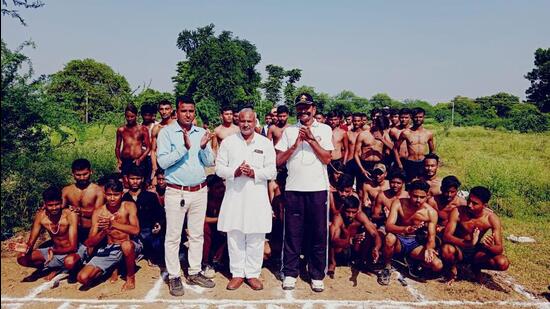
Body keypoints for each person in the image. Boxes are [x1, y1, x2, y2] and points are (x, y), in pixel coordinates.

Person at [156, 95, 216, 296]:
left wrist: (204, 145)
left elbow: (209, 162)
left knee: (196, 234)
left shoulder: (201, 132)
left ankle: (194, 271)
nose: (188, 114)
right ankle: (174, 275)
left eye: (191, 111)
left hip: (199, 190)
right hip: (176, 191)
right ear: (176, 112)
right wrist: (184, 148)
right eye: (184, 111)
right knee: (173, 236)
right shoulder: (166, 133)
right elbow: (163, 163)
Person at [275, 93, 333, 292]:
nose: (303, 111)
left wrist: (311, 140)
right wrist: (295, 145)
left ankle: (316, 274)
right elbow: (278, 161)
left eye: (307, 107)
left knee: (318, 233)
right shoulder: (290, 131)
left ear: (314, 109)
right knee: (292, 233)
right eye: (300, 108)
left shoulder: (324, 129)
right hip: (294, 189)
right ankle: (290, 273)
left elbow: (327, 158)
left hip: (317, 190)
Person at [215, 108, 277, 291]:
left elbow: (272, 171)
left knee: (256, 236)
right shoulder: (228, 142)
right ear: (237, 121)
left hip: (257, 198)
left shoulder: (265, 143)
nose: (246, 124)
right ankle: (237, 274)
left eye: (249, 121)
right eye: (242, 121)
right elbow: (219, 168)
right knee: (235, 235)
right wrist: (234, 172)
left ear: (255, 121)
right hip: (235, 197)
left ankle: (252, 274)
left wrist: (254, 173)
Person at [77, 179, 141, 290]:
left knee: (126, 245)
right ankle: (112, 267)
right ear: (104, 194)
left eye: (116, 195)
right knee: (83, 278)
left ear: (122, 194)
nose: (112, 198)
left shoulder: (128, 206)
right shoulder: (99, 212)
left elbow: (136, 230)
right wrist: (104, 231)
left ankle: (130, 277)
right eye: (109, 195)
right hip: (110, 248)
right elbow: (89, 243)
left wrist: (113, 224)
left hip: (130, 245)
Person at [377, 180, 443, 285]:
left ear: (427, 195)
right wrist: (406, 229)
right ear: (409, 193)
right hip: (398, 239)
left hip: (414, 243)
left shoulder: (431, 213)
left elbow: (431, 237)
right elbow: (388, 226)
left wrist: (429, 248)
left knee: (437, 265)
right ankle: (387, 266)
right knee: (390, 237)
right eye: (415, 196)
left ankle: (414, 263)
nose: (418, 200)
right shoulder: (398, 203)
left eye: (422, 197)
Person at [14, 187, 86, 280]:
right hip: (53, 252)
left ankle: (62, 269)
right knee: (22, 258)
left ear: (61, 202)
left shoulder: (70, 215)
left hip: (70, 252)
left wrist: (53, 251)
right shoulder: (41, 216)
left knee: (70, 262)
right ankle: (51, 268)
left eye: (57, 204)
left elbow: (73, 247)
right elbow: (32, 241)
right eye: (50, 205)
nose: (54, 208)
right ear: (45, 204)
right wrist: (25, 248)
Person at [442, 186, 509, 284]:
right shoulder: (458, 211)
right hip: (458, 248)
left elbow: (499, 248)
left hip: (475, 251)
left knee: (502, 263)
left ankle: (475, 267)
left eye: (475, 203)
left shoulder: (491, 218)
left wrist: (490, 247)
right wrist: (468, 243)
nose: (469, 205)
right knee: (447, 250)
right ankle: (452, 268)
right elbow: (446, 236)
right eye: (469, 200)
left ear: (484, 205)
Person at [329, 195, 381, 276]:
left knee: (368, 236)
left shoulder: (360, 216)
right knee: (336, 233)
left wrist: (376, 248)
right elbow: (333, 240)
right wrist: (350, 240)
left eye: (353, 212)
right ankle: (332, 263)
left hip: (355, 249)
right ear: (343, 209)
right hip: (341, 252)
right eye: (348, 211)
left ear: (357, 210)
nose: (350, 215)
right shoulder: (338, 218)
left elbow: (375, 234)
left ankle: (361, 263)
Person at [122, 167, 165, 265]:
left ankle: (150, 254)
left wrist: (158, 224)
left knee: (157, 244)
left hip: (149, 231)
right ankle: (139, 252)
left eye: (137, 179)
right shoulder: (124, 198)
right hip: (132, 232)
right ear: (127, 179)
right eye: (132, 179)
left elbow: (160, 213)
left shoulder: (150, 196)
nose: (135, 182)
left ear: (142, 179)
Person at [62, 159, 105, 243]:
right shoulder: (66, 190)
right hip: (72, 230)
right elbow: (59, 210)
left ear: (91, 172)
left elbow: (98, 214)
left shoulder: (98, 191)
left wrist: (81, 211)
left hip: (91, 230)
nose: (82, 178)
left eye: (85, 174)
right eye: (78, 175)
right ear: (73, 174)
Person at [394, 108, 435, 181]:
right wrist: (400, 164)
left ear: (424, 117)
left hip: (423, 163)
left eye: (420, 117)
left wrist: (432, 164)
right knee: (409, 186)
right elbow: (395, 148)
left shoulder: (429, 133)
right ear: (412, 118)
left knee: (423, 185)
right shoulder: (406, 133)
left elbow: (432, 151)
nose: (418, 119)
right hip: (410, 163)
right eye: (416, 117)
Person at [115, 103, 151, 178]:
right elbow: (117, 147)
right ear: (125, 116)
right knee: (125, 182)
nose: (130, 118)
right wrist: (119, 160)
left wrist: (141, 159)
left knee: (137, 182)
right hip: (125, 160)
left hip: (138, 161)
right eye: (127, 116)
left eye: (132, 116)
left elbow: (148, 147)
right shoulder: (121, 130)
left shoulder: (143, 129)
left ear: (136, 116)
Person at [151, 100, 174, 183]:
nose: (164, 112)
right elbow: (153, 150)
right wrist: (154, 166)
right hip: (161, 162)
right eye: (161, 109)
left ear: (171, 110)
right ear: (158, 111)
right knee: (158, 187)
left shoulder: (178, 126)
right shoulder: (156, 128)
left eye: (167, 109)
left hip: (175, 162)